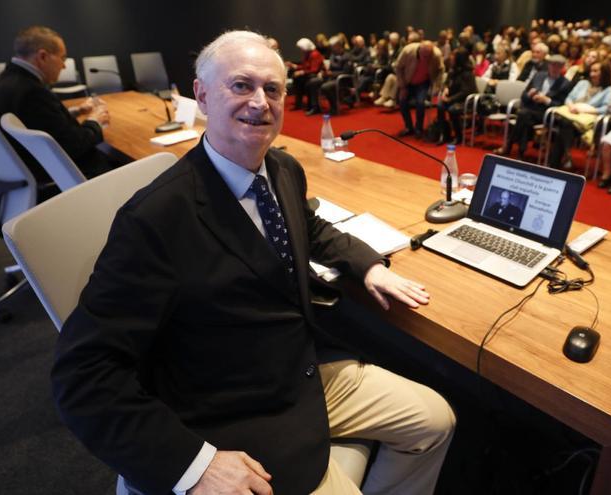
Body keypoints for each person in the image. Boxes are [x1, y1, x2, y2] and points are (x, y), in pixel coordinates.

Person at [51, 31, 455, 495]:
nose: (260, 102)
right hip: (232, 407)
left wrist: (369, 266)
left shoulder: (281, 169)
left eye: (273, 89)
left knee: (435, 421)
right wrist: (193, 465)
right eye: (241, 86)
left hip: (299, 369)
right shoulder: (156, 218)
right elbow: (83, 373)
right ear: (201, 95)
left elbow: (311, 227)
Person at [0, 25, 116, 184]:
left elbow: (41, 123)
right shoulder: (31, 91)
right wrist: (95, 121)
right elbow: (73, 146)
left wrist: (76, 111)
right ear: (42, 57)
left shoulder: (8, 80)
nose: (63, 65)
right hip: (68, 178)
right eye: (62, 58)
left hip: (26, 169)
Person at [495, 54, 572, 160]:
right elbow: (524, 95)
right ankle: (520, 151)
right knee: (525, 118)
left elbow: (562, 105)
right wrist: (530, 95)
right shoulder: (539, 76)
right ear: (548, 65)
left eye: (558, 66)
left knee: (523, 115)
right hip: (531, 108)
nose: (555, 68)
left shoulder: (565, 83)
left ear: (562, 68)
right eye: (553, 65)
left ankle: (509, 146)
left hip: (547, 112)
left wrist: (546, 100)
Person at [547, 61, 611, 168]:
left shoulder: (608, 90)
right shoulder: (583, 83)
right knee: (566, 125)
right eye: (591, 70)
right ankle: (566, 156)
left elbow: (605, 109)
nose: (592, 74)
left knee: (564, 126)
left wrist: (583, 110)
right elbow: (569, 98)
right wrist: (571, 106)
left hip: (585, 121)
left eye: (596, 71)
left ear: (604, 73)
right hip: (570, 114)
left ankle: (555, 162)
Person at [395, 40, 444, 139]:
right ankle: (409, 127)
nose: (426, 58)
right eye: (424, 55)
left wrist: (437, 85)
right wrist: (403, 86)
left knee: (420, 103)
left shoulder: (436, 54)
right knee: (402, 102)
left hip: (423, 82)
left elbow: (441, 70)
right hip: (407, 81)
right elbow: (398, 67)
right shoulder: (408, 51)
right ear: (419, 50)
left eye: (428, 55)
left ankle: (419, 129)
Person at [436, 47, 477, 144]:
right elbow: (446, 82)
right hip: (453, 98)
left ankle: (458, 136)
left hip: (466, 100)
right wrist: (445, 88)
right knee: (440, 106)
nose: (451, 57)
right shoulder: (453, 70)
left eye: (453, 56)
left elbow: (465, 92)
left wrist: (450, 99)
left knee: (452, 109)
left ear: (459, 59)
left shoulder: (468, 73)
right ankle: (444, 133)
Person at [287, 37, 324, 111]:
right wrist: (295, 66)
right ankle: (299, 103)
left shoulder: (315, 54)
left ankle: (312, 106)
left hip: (315, 76)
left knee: (302, 80)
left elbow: (314, 70)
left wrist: (301, 72)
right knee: (296, 79)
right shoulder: (308, 54)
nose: (301, 50)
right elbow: (305, 66)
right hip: (309, 75)